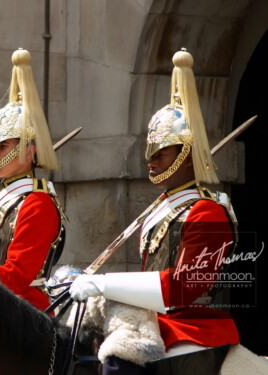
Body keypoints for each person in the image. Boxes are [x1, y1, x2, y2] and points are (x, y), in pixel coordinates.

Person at [70, 49, 240, 372]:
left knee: (116, 364)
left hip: (192, 331)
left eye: (161, 153)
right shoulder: (162, 210)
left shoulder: (208, 213)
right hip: (155, 324)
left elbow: (181, 288)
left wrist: (106, 285)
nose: (151, 160)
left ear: (187, 155)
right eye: (150, 151)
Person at [0, 48, 66, 311]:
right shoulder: (1, 203)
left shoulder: (37, 203)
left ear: (28, 150)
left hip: (26, 311)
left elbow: (16, 276)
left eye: (3, 146)